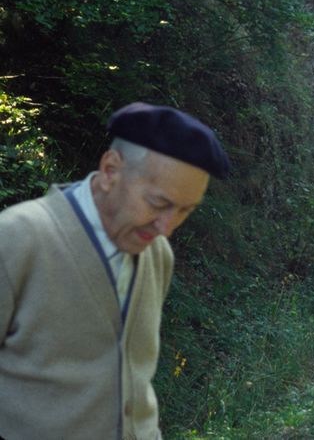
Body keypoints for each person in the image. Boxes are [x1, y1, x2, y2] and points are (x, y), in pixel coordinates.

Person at [0, 102, 230, 440]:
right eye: (158, 203)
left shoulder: (157, 253)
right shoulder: (18, 238)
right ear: (110, 170)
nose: (167, 227)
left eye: (185, 210)